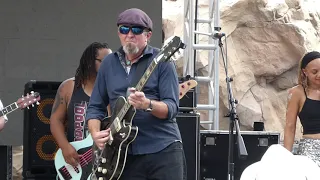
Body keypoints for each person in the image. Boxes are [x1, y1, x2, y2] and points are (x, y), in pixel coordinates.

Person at [86, 8, 186, 180]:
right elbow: (95, 107)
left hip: (162, 149)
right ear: (119, 33)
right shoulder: (108, 63)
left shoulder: (162, 61)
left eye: (137, 30)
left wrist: (148, 104)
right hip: (123, 155)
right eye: (124, 29)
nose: (130, 34)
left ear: (148, 35)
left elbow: (172, 108)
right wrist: (95, 133)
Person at [50, 42, 112, 169]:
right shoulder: (69, 87)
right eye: (104, 61)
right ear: (90, 62)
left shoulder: (112, 89)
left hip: (102, 160)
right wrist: (65, 147)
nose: (110, 65)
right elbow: (56, 120)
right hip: (75, 159)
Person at [284, 51, 320, 167]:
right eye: (314, 72)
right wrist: (286, 157)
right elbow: (290, 127)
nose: (319, 75)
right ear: (305, 72)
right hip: (310, 149)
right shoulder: (297, 93)